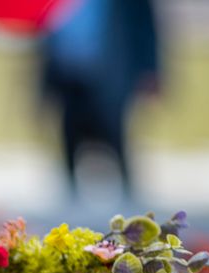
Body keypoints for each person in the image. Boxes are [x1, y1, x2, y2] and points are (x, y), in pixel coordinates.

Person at [38, 0, 161, 200]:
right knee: (69, 136)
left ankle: (130, 196)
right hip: (66, 71)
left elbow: (145, 25)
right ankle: (71, 198)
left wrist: (152, 70)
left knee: (116, 134)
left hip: (111, 72)